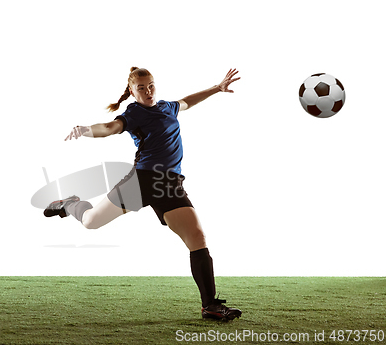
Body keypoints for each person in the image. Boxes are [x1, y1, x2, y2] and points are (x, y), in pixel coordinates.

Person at [45, 67, 242, 321]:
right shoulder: (135, 112)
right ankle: (71, 203)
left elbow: (187, 102)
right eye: (141, 88)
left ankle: (210, 305)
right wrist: (87, 130)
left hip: (169, 184)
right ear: (132, 91)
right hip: (143, 181)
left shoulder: (167, 107)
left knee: (197, 236)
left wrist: (217, 88)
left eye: (151, 86)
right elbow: (111, 127)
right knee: (91, 221)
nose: (148, 91)